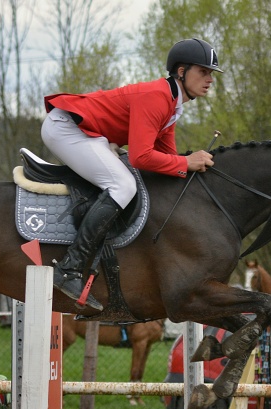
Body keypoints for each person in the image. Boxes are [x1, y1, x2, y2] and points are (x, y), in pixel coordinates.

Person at [41, 38, 221, 311]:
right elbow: (141, 157)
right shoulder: (158, 97)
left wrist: (188, 167)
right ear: (181, 72)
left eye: (211, 73)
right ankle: (70, 267)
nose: (210, 79)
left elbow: (167, 158)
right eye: (203, 71)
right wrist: (186, 161)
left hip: (86, 133)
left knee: (130, 181)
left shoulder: (172, 105)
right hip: (66, 128)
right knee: (123, 185)